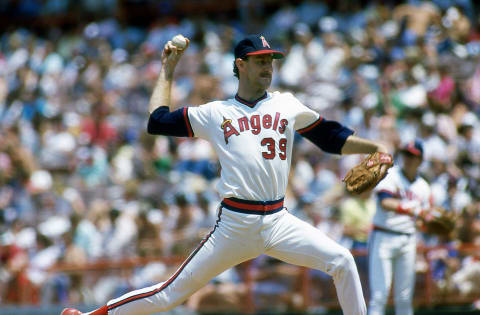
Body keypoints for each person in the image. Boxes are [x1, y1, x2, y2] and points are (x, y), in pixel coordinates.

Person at [62, 34, 391, 315]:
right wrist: (168, 69)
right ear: (240, 65)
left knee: (343, 260)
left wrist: (373, 145)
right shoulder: (215, 113)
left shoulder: (287, 104)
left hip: (279, 220)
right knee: (168, 295)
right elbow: (157, 120)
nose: (267, 66)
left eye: (271, 61)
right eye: (259, 60)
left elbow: (330, 137)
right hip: (235, 225)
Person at [368, 140, 432, 315]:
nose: (408, 159)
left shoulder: (424, 187)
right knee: (380, 295)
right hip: (383, 236)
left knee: (404, 297)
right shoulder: (391, 175)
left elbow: (421, 220)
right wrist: (413, 209)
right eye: (406, 154)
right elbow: (385, 202)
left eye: (413, 156)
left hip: (408, 239)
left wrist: (429, 222)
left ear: (420, 160)